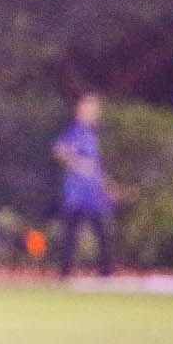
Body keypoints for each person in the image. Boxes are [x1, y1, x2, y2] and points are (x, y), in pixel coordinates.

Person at [53, 93, 114, 278]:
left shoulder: (91, 134)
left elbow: (95, 166)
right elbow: (59, 150)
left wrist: (106, 185)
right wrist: (79, 163)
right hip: (77, 194)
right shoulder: (76, 131)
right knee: (71, 235)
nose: (93, 113)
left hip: (94, 194)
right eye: (89, 109)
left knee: (103, 234)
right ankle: (65, 274)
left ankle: (105, 274)